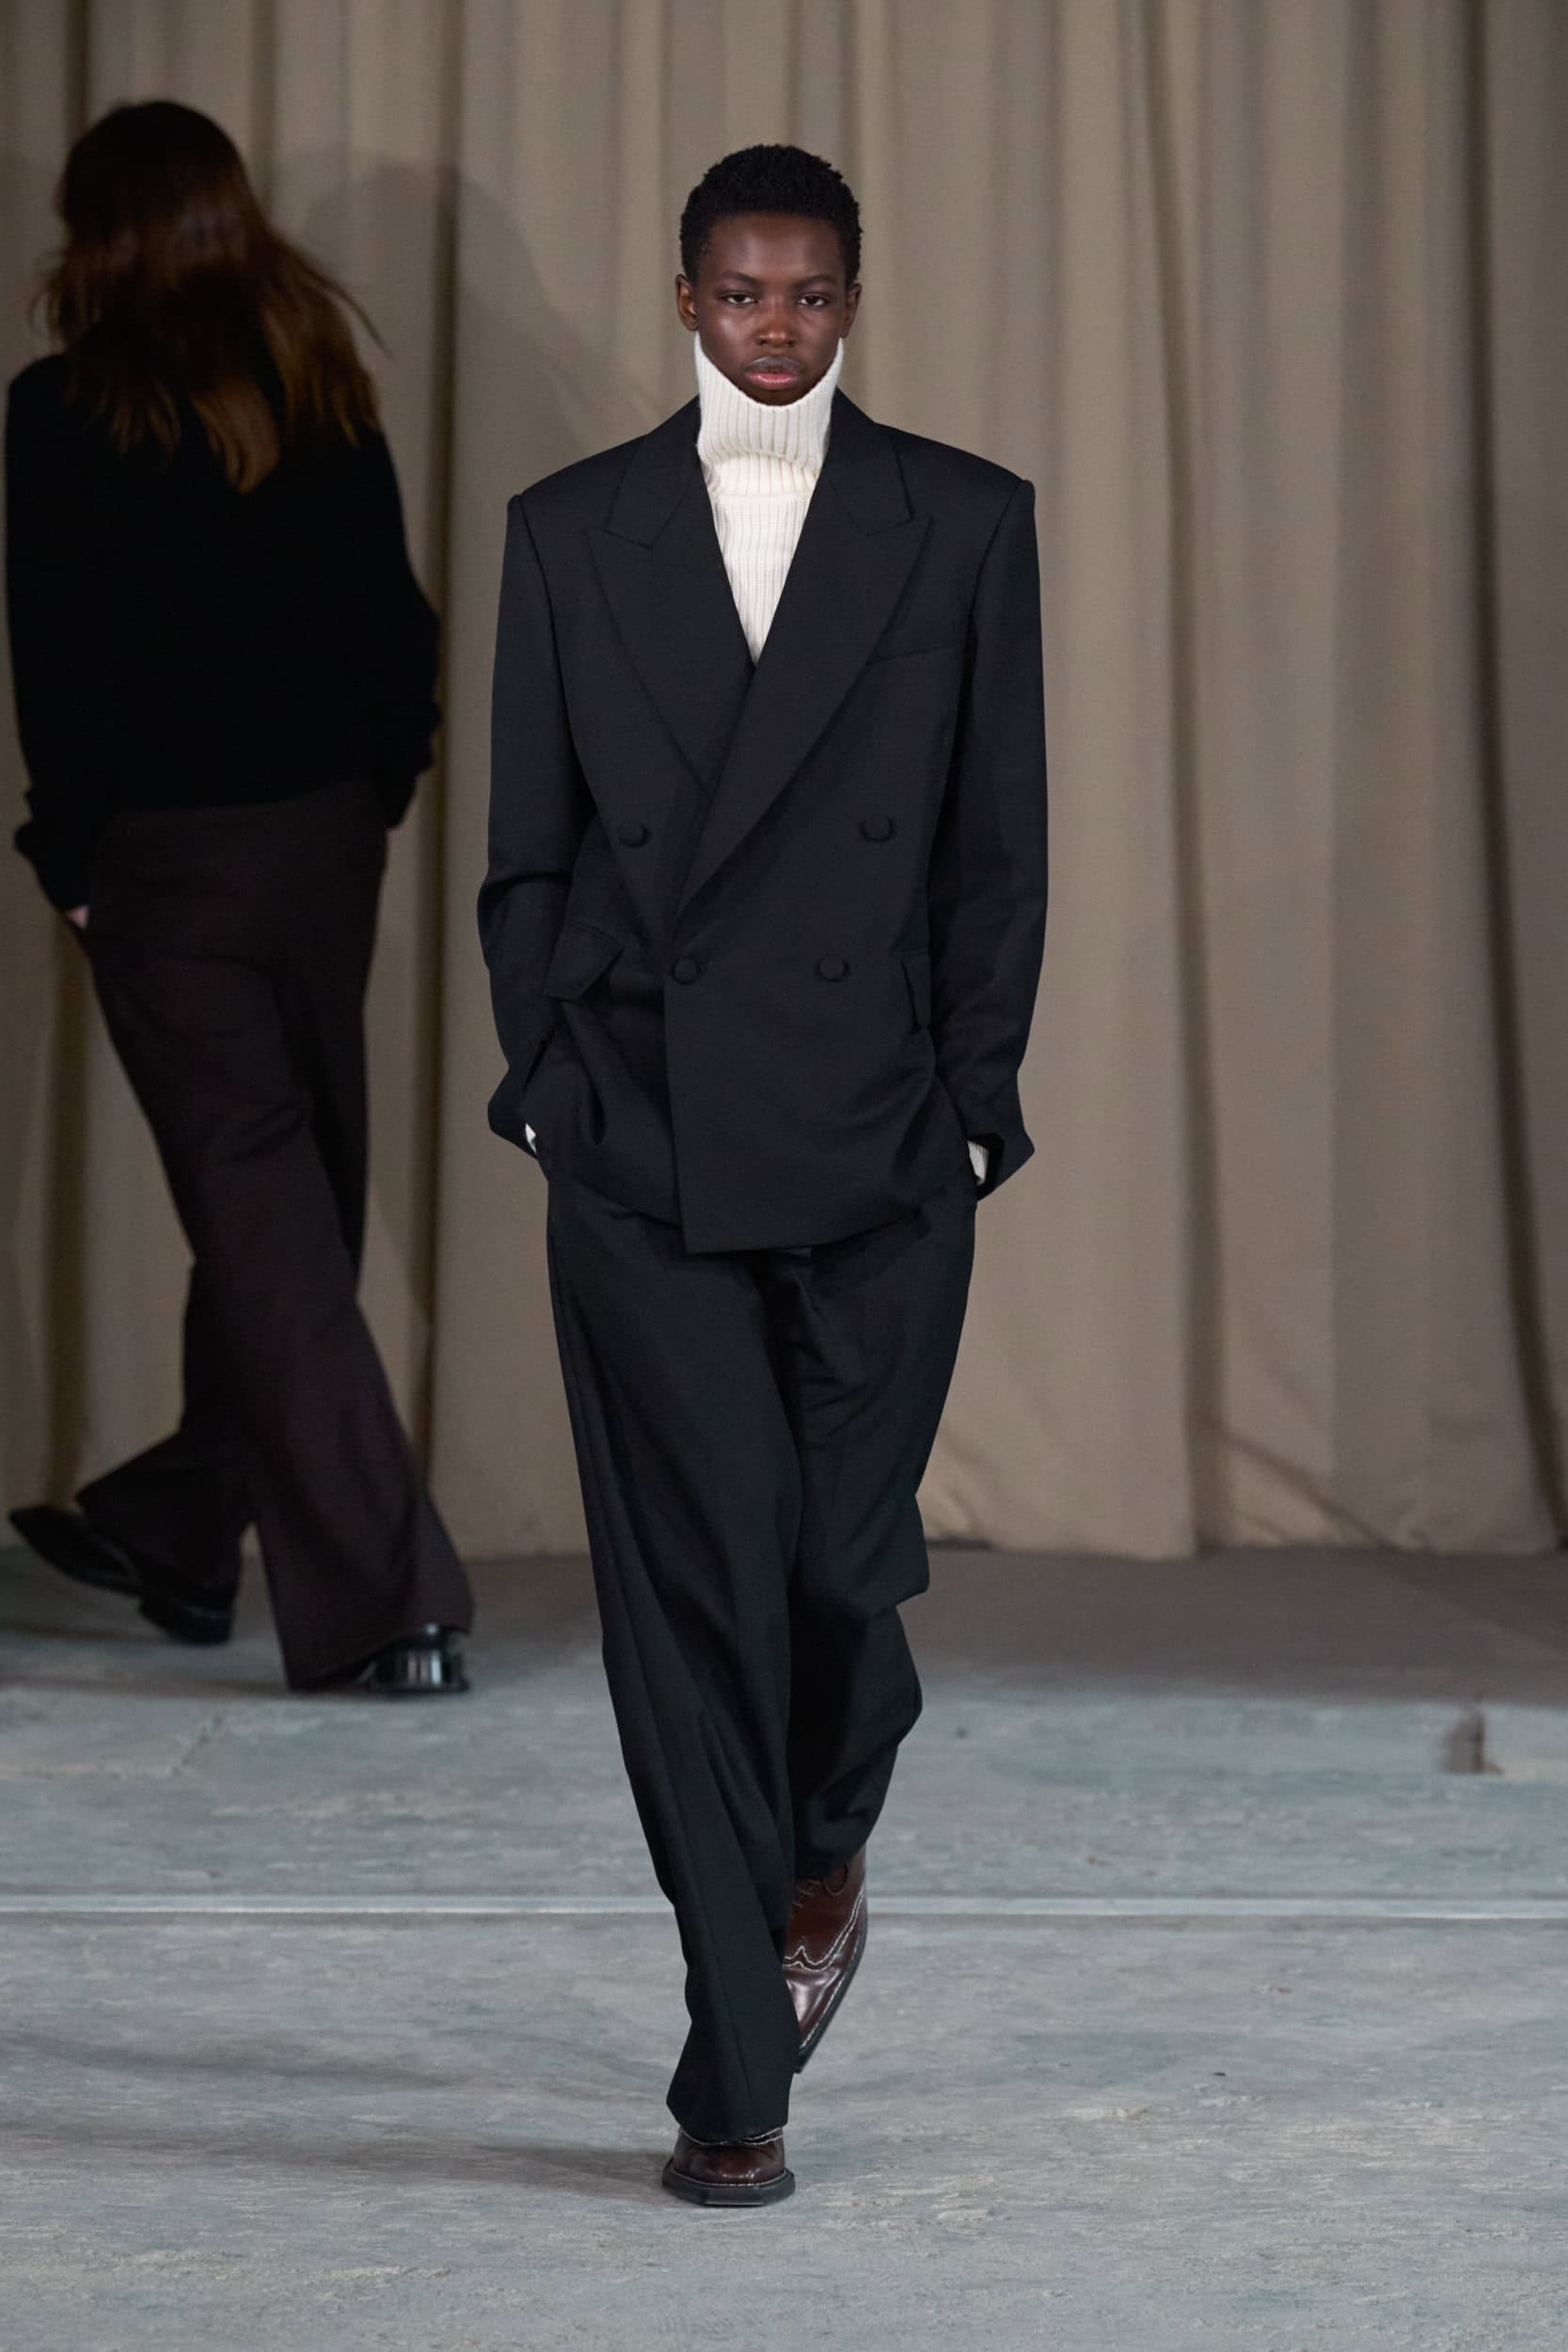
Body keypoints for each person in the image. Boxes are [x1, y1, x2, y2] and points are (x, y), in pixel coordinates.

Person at [482, 144, 1046, 2200]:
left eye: (810, 295)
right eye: (742, 294)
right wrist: (551, 1081)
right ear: (687, 301)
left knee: (833, 1572)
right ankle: (739, 2072)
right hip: (642, 1145)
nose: (776, 327)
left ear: (853, 303)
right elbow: (526, 850)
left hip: (881, 1148)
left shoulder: (962, 521)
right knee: (693, 1598)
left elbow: (997, 846)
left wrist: (971, 1096)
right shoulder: (570, 532)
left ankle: (825, 1848)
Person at [5, 101, 472, 1696]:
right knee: (291, 1208)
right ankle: (183, 1524)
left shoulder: (59, 411)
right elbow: (397, 630)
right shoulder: (317, 383)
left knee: (271, 1222)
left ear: (99, 235)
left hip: (174, 865)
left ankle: (392, 1601)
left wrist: (70, 860)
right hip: (322, 846)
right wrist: (377, 789)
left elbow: (62, 668)